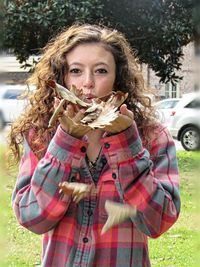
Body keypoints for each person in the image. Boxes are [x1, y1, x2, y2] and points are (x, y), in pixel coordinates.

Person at [9, 24, 180, 267]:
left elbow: (158, 222)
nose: (87, 83)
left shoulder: (153, 136)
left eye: (100, 71)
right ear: (62, 77)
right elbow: (32, 218)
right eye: (76, 71)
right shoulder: (42, 135)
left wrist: (126, 144)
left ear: (117, 78)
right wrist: (65, 141)